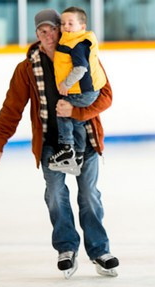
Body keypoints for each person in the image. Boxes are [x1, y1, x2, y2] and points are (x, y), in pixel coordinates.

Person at [0, 9, 119, 279]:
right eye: (41, 31)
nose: (47, 35)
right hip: (50, 143)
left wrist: (76, 113)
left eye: (52, 29)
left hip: (87, 140)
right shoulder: (27, 68)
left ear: (61, 30)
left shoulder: (80, 53)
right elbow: (12, 107)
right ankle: (67, 249)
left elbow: (105, 97)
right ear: (36, 35)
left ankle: (99, 251)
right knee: (56, 197)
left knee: (89, 197)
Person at [49, 6, 106, 175]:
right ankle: (78, 155)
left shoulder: (77, 43)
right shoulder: (70, 40)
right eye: (63, 23)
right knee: (77, 121)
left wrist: (66, 84)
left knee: (62, 109)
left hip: (82, 92)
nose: (65, 26)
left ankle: (67, 148)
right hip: (88, 92)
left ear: (82, 26)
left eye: (70, 23)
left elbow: (80, 68)